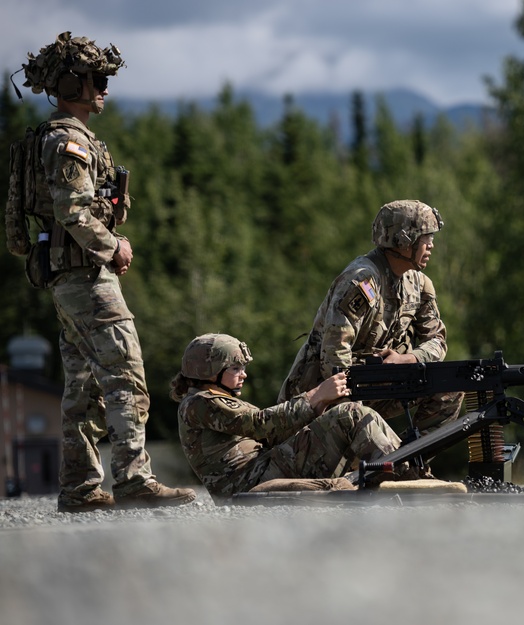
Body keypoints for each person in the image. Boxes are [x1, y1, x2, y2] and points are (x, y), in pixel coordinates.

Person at [14, 32, 195, 511]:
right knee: (125, 372)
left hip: (67, 279)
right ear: (71, 84)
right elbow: (72, 210)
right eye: (97, 79)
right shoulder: (70, 141)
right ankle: (133, 479)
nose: (104, 89)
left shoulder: (56, 137)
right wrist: (114, 246)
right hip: (86, 277)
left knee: (83, 385)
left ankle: (79, 488)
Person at [277, 200, 464, 464]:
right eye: (426, 237)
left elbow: (437, 340)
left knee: (450, 387)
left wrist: (408, 359)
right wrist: (354, 414)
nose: (431, 245)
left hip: (376, 386)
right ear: (404, 241)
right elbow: (334, 358)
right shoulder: (362, 281)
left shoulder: (420, 284)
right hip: (326, 395)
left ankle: (410, 462)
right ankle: (387, 466)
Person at [172, 334, 401, 501]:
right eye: (235, 368)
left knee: (346, 415)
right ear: (210, 371)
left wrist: (319, 406)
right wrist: (315, 396)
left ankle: (403, 469)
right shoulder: (199, 403)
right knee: (349, 415)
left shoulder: (211, 400)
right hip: (252, 483)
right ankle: (405, 476)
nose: (244, 374)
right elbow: (259, 423)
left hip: (260, 474)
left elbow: (270, 435)